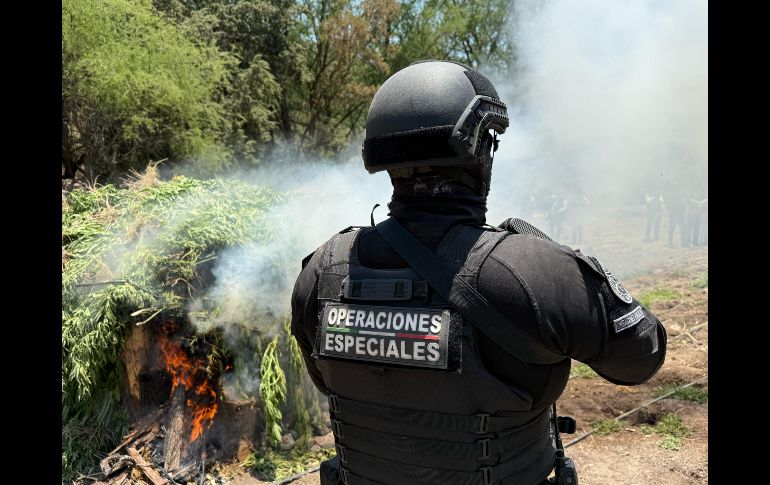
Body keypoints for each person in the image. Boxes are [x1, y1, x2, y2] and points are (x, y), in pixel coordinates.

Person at [291, 60, 667, 485]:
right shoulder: (535, 272)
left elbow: (328, 382)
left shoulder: (320, 273)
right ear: (479, 153)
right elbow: (641, 358)